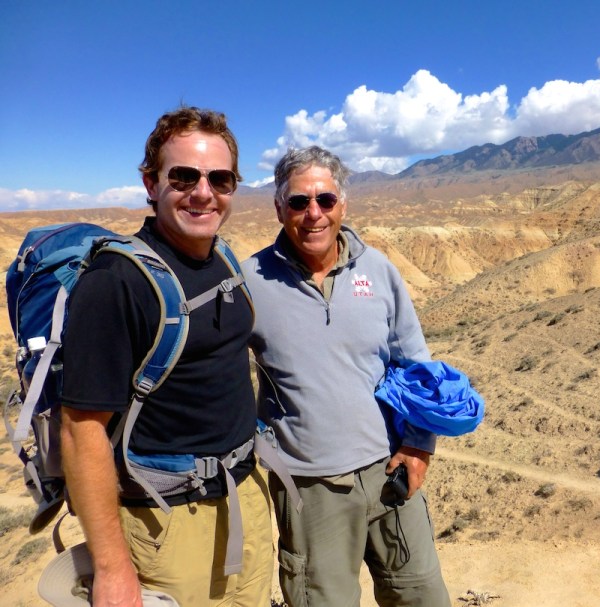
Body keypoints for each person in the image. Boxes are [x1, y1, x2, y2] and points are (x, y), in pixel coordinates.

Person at [60, 106, 274, 607]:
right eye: (183, 176)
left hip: (244, 495)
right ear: (151, 184)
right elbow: (80, 432)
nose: (203, 192)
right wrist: (112, 569)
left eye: (220, 179)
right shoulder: (115, 283)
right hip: (168, 523)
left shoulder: (222, 256)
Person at [243, 145, 451, 607]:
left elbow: (416, 367)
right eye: (299, 201)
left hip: (391, 472)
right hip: (310, 489)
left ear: (343, 204)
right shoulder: (250, 281)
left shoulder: (378, 270)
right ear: (279, 207)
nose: (313, 213)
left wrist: (419, 447)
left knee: (423, 597)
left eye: (325, 199)